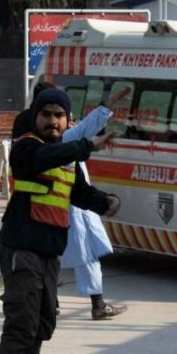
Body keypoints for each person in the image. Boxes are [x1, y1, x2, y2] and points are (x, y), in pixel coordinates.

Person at [0, 89, 119, 354]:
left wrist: (104, 201)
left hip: (49, 252)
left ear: (67, 120)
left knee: (42, 323)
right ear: (36, 117)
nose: (52, 120)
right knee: (21, 322)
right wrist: (89, 145)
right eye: (46, 114)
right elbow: (43, 160)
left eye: (59, 115)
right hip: (22, 248)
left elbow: (78, 193)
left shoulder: (65, 157)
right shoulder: (27, 147)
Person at [61, 87, 131, 320]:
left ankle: (96, 303)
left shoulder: (64, 141)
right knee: (54, 259)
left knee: (85, 256)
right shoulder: (61, 141)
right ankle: (94, 305)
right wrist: (107, 105)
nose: (70, 123)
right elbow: (85, 130)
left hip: (79, 209)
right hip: (66, 212)